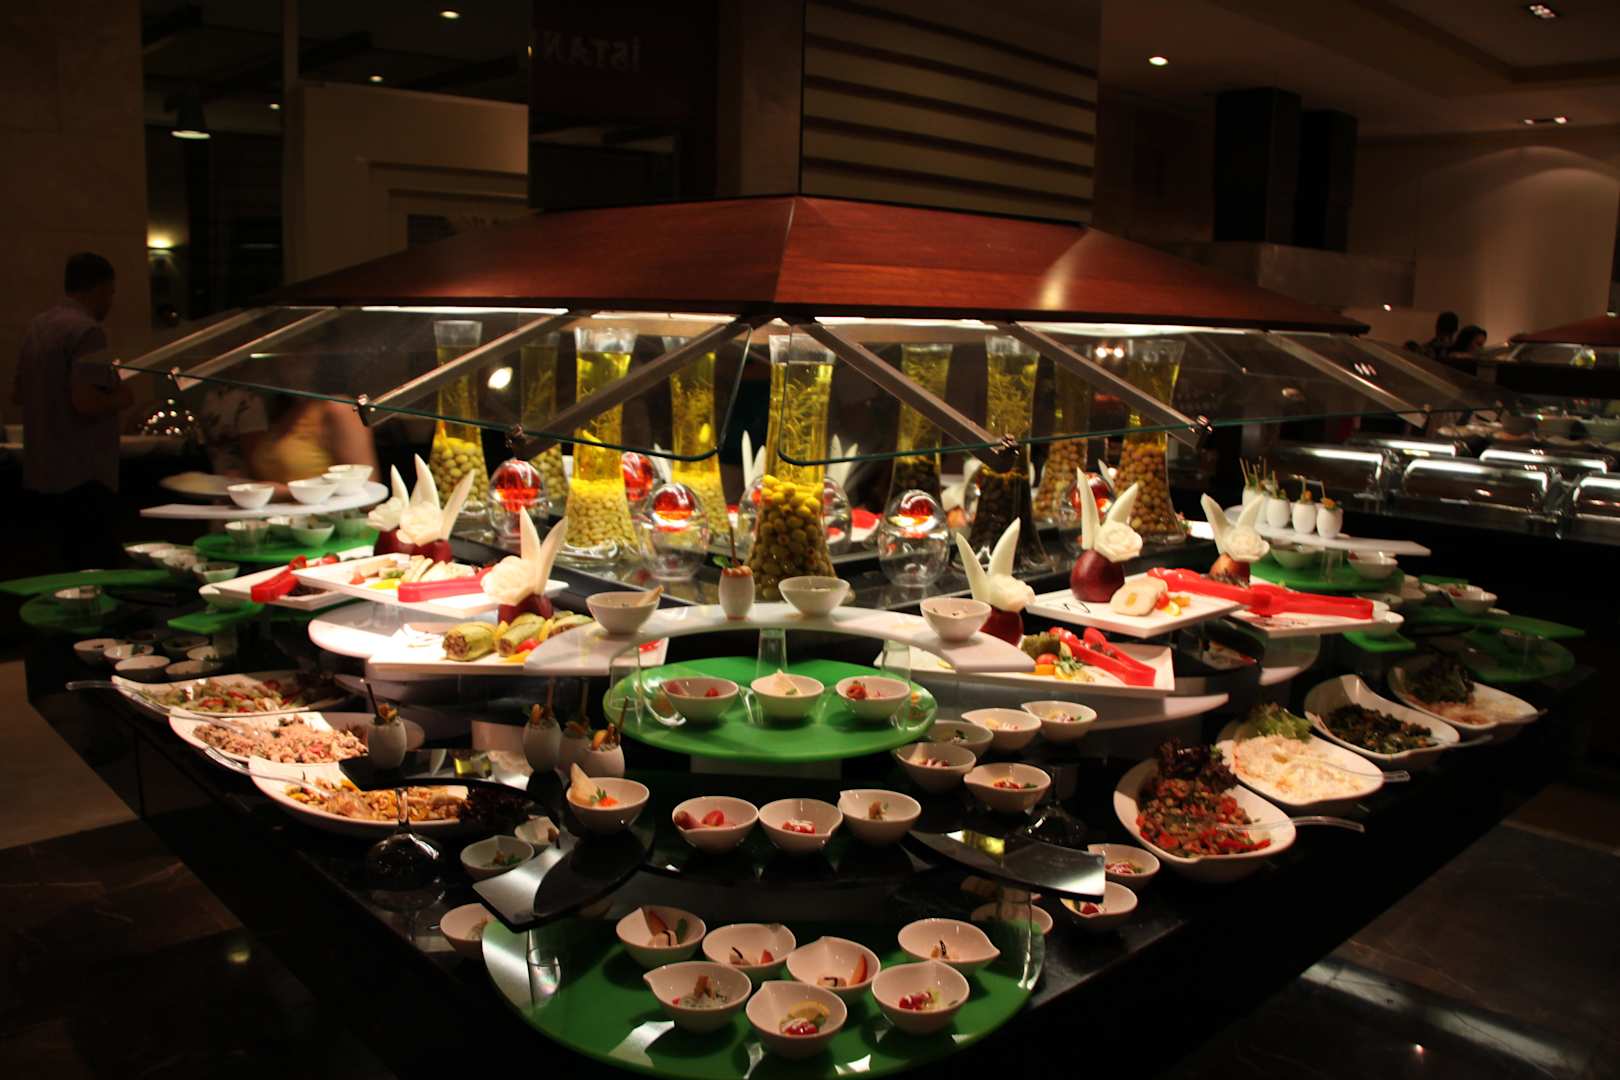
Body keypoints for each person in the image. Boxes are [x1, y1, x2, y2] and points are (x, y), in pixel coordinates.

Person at [11, 252, 132, 568]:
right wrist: (122, 397)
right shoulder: (87, 331)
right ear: (99, 288)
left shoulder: (37, 327)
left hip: (40, 470)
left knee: (56, 572)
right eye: (111, 293)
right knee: (92, 569)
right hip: (83, 474)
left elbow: (18, 394)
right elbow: (86, 402)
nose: (111, 302)